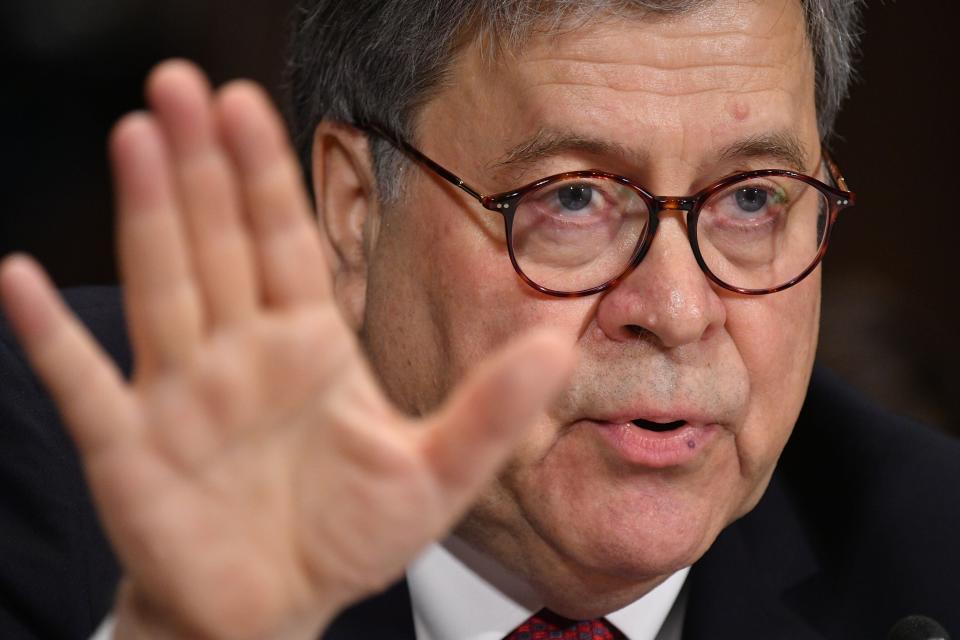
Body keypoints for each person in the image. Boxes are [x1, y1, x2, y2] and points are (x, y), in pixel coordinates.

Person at [0, 0, 957, 639]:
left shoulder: (930, 556)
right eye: (573, 199)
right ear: (354, 213)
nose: (674, 309)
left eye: (751, 199)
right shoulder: (61, 474)